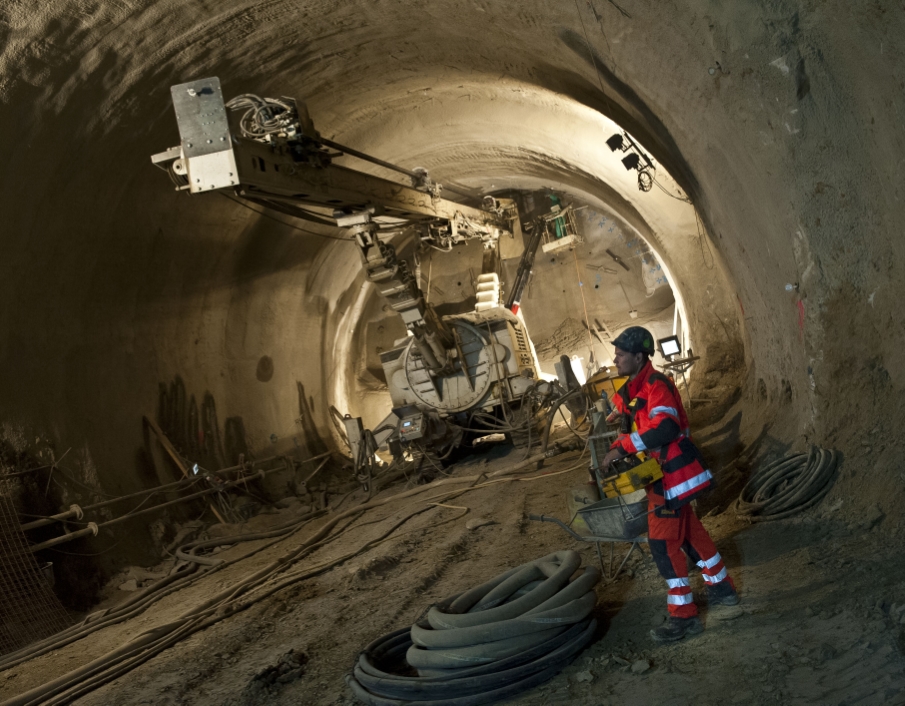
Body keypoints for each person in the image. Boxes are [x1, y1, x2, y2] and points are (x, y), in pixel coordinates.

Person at [600, 326, 740, 641]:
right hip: (661, 475)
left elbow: (665, 428)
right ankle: (723, 590)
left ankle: (685, 618)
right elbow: (631, 412)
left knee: (663, 545)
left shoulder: (656, 385)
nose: (616, 359)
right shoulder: (636, 388)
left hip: (672, 477)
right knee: (690, 534)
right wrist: (618, 413)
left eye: (621, 355)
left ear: (639, 356)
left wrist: (621, 447)